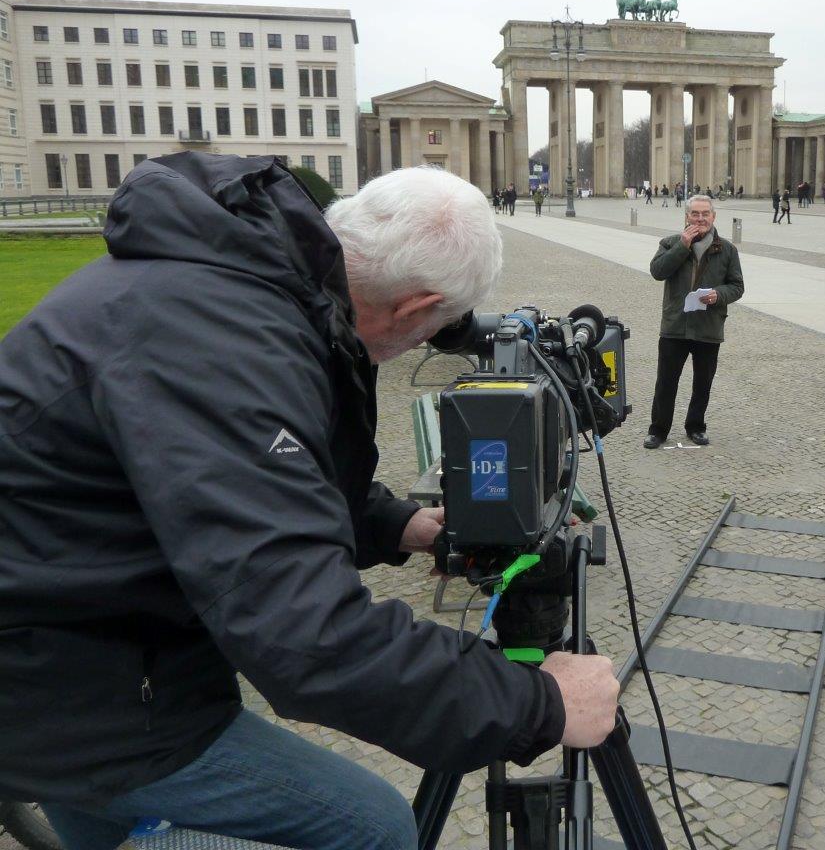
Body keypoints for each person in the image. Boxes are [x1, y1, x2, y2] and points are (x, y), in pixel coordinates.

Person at [0, 156, 620, 850]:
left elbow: (236, 486)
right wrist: (537, 702)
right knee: (374, 828)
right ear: (413, 308)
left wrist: (397, 524)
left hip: (87, 648)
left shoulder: (247, 285)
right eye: (431, 329)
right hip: (72, 691)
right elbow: (305, 632)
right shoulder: (229, 342)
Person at [643, 195, 745, 450]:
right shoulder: (670, 243)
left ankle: (696, 427)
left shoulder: (727, 249)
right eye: (695, 214)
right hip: (675, 325)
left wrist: (718, 295)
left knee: (703, 382)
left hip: (708, 325)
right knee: (666, 382)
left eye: (705, 214)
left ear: (713, 216)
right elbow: (658, 272)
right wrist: (683, 245)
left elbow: (737, 286)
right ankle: (658, 430)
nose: (700, 219)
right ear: (686, 216)